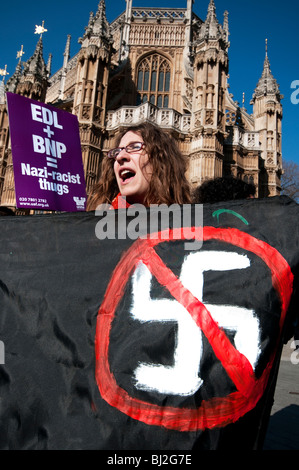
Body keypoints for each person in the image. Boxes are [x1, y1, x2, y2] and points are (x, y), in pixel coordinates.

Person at [87, 121, 191, 210]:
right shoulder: (96, 225)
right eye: (117, 152)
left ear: (161, 160)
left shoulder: (192, 227)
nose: (119, 156)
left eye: (134, 147)